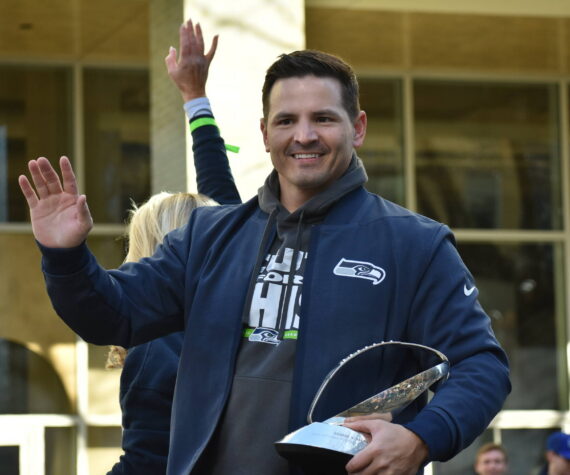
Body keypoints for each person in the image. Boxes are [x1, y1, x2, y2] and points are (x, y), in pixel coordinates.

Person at [18, 24, 510, 475]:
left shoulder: (414, 243)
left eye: (323, 118)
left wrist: (422, 437)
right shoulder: (209, 236)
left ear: (357, 128)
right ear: (264, 133)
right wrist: (65, 256)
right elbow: (113, 315)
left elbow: (481, 365)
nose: (304, 135)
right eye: (286, 120)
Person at [107, 21, 241, 474]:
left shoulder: (156, 349)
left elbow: (146, 463)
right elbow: (221, 198)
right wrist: (194, 98)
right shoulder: (240, 305)